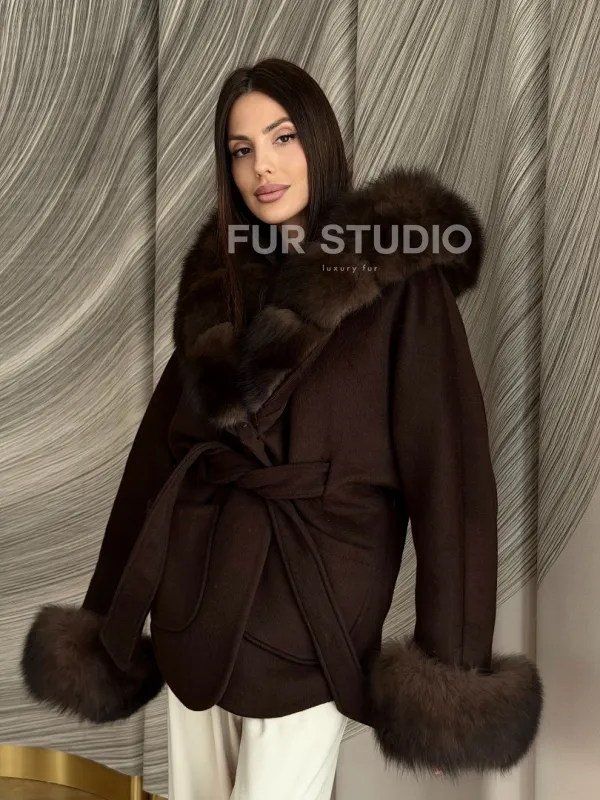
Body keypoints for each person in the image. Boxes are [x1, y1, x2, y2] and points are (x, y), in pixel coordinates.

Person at [20, 58, 543, 799]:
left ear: (318, 140)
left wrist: (450, 680)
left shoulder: (403, 287)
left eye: (282, 137)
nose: (262, 166)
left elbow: (450, 484)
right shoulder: (220, 284)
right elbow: (155, 466)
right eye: (241, 149)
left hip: (312, 618)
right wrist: (104, 625)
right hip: (195, 609)